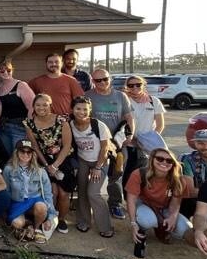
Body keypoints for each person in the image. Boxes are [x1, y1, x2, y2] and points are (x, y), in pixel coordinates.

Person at [85, 68, 134, 220]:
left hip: (117, 143)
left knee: (116, 173)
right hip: (95, 141)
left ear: (110, 79)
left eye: (105, 79)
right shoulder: (88, 96)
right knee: (91, 173)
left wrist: (130, 133)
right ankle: (89, 203)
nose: (102, 83)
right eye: (98, 80)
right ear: (93, 81)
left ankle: (115, 204)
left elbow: (129, 117)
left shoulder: (121, 96)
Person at [126, 148, 191, 258]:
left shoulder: (178, 179)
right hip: (144, 204)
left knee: (184, 229)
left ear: (173, 163)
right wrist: (133, 223)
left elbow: (176, 202)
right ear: (152, 159)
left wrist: (173, 217)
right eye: (160, 159)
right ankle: (141, 230)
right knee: (147, 220)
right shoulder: (139, 173)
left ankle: (160, 227)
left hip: (163, 207)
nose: (164, 162)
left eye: (169, 161)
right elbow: (131, 200)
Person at [23, 94, 74, 233]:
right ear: (33, 106)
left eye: (45, 104)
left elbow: (67, 145)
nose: (41, 108)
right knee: (52, 192)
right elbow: (35, 146)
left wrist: (55, 165)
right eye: (38, 105)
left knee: (63, 193)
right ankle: (49, 219)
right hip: (43, 160)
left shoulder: (61, 120)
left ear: (50, 105)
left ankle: (62, 220)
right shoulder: (29, 123)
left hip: (62, 159)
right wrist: (47, 165)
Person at [69, 96, 114, 237]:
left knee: (93, 193)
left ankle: (105, 226)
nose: (81, 112)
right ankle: (84, 221)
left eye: (85, 109)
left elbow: (105, 148)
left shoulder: (98, 125)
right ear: (72, 109)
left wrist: (98, 167)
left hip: (100, 161)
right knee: (82, 191)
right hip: (83, 160)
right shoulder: (70, 124)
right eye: (78, 108)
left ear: (90, 110)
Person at [3, 139, 57, 243]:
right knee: (17, 223)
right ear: (16, 152)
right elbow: (6, 192)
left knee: (41, 207)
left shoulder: (40, 171)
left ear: (33, 154)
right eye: (22, 151)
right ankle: (28, 224)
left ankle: (36, 228)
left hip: (35, 201)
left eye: (29, 152)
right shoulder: (8, 169)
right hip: (17, 202)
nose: (25, 154)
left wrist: (50, 217)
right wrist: (7, 211)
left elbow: (47, 195)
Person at [122, 75, 166, 189]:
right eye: (131, 85)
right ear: (127, 87)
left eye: (138, 84)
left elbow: (160, 125)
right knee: (127, 174)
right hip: (129, 144)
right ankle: (127, 200)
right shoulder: (124, 100)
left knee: (144, 175)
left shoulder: (153, 101)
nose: (134, 87)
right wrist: (132, 139)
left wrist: (149, 141)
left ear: (143, 85)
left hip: (147, 146)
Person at [179, 130, 207, 219]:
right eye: (200, 143)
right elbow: (190, 192)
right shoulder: (187, 159)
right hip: (193, 203)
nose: (206, 147)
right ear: (195, 145)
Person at [0, 59, 35, 155]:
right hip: (4, 128)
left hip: (19, 128)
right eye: (2, 70)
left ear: (12, 70)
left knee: (19, 157)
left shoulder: (21, 85)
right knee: (7, 156)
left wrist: (28, 129)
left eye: (8, 70)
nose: (5, 72)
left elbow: (32, 108)